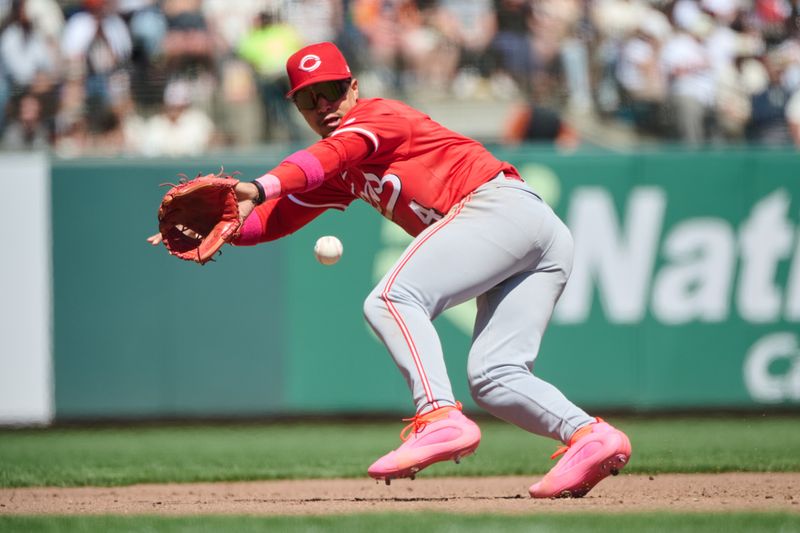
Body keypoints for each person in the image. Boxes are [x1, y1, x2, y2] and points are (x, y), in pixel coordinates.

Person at [148, 41, 632, 498]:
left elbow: (327, 157)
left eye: (332, 91)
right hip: (535, 236)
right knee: (494, 377)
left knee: (391, 299)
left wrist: (257, 185)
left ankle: (438, 416)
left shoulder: (377, 116)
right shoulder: (341, 168)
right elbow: (283, 213)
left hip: (497, 207)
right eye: (309, 99)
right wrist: (233, 228)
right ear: (298, 108)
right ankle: (590, 436)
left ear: (353, 88)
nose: (323, 106)